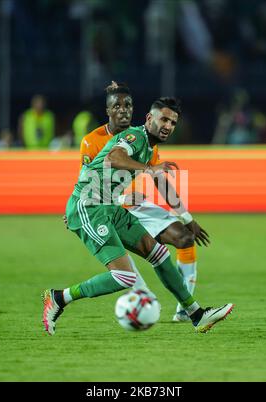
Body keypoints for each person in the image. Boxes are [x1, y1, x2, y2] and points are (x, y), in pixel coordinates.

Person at [42, 97, 234, 335]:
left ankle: (196, 315)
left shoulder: (150, 147)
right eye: (163, 119)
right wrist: (150, 169)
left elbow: (159, 183)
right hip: (90, 206)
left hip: (111, 208)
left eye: (173, 122)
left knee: (159, 254)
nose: (168, 126)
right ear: (149, 119)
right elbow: (114, 158)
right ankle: (60, 297)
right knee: (124, 276)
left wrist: (187, 219)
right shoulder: (135, 136)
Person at [78, 82, 208, 322]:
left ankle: (186, 308)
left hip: (136, 203)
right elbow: (89, 179)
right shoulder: (92, 140)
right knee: (129, 263)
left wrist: (186, 217)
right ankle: (144, 299)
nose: (124, 110)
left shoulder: (145, 138)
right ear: (108, 111)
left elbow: (158, 177)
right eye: (117, 106)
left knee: (184, 238)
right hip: (110, 205)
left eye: (128, 105)